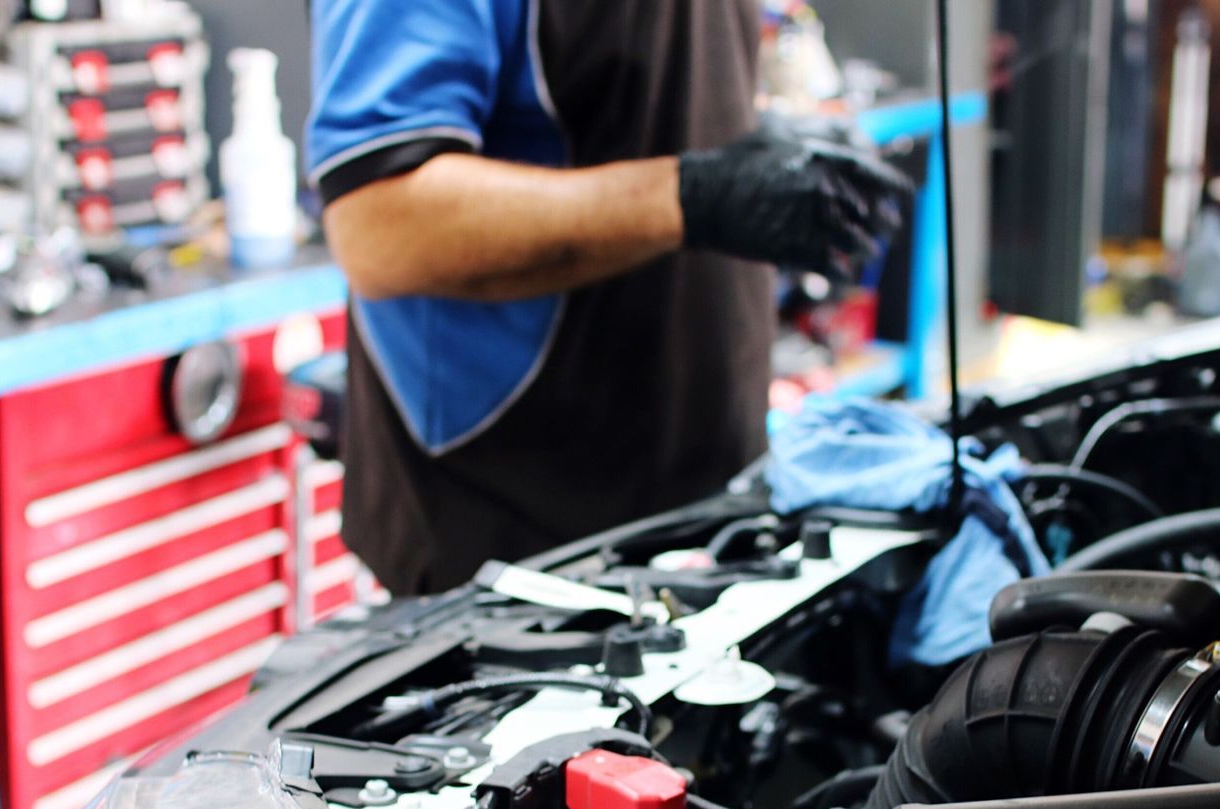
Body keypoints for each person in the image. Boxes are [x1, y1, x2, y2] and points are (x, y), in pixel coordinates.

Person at [308, 0, 911, 594]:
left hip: (705, 492)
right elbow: (380, 224)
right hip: (512, 537)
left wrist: (743, 137)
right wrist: (693, 195)